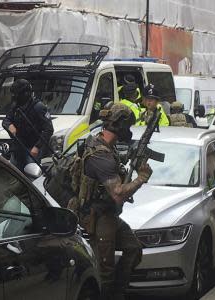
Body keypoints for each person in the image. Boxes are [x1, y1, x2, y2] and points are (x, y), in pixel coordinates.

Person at [80, 103, 151, 300]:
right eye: (127, 126)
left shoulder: (104, 147)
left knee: (133, 249)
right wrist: (141, 178)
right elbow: (118, 193)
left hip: (109, 215)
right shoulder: (101, 155)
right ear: (119, 126)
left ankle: (118, 294)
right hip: (99, 217)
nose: (128, 131)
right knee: (105, 271)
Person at [2, 79, 54, 172]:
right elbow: (6, 120)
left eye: (16, 94)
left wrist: (37, 147)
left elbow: (48, 129)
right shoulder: (15, 106)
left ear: (25, 94)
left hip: (32, 149)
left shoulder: (38, 107)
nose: (14, 97)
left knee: (32, 176)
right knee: (14, 174)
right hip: (18, 148)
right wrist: (9, 125)